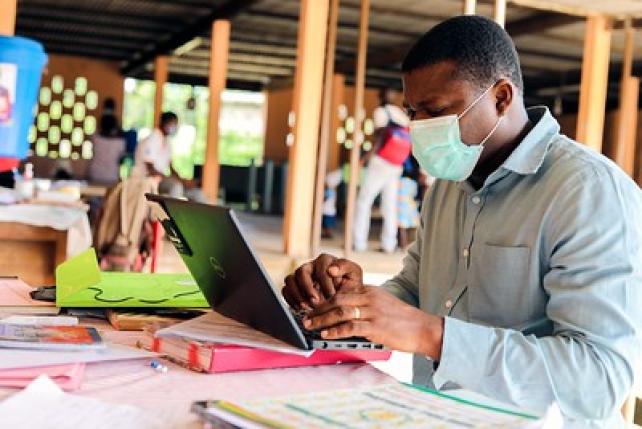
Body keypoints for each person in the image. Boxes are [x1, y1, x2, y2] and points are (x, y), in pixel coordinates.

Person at [282, 16, 642, 427]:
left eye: (435, 111)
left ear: (502, 98)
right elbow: (419, 292)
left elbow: (598, 381)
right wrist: (354, 300)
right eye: (413, 112)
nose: (418, 128)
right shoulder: (450, 184)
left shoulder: (587, 192)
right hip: (436, 415)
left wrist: (433, 336)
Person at [353, 89, 411, 253]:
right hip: (396, 164)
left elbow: (379, 137)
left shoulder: (381, 112)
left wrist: (365, 157)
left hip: (381, 161)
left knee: (364, 200)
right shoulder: (401, 114)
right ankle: (388, 244)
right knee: (389, 205)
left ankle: (359, 242)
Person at [133, 111, 205, 202]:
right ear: (165, 123)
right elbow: (150, 168)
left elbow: (171, 167)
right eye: (174, 124)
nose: (175, 127)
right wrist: (173, 180)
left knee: (197, 193)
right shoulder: (153, 138)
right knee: (176, 187)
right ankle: (174, 214)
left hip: (162, 179)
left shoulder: (167, 142)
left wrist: (184, 181)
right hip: (148, 179)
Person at [87, 114, 125, 185]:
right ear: (115, 126)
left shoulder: (95, 138)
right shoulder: (120, 142)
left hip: (95, 174)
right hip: (111, 175)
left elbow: (94, 132)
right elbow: (121, 160)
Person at [397, 160, 420, 250]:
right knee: (410, 221)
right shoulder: (413, 155)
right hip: (412, 189)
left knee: (401, 221)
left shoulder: (406, 157)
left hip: (403, 187)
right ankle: (407, 245)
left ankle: (403, 244)